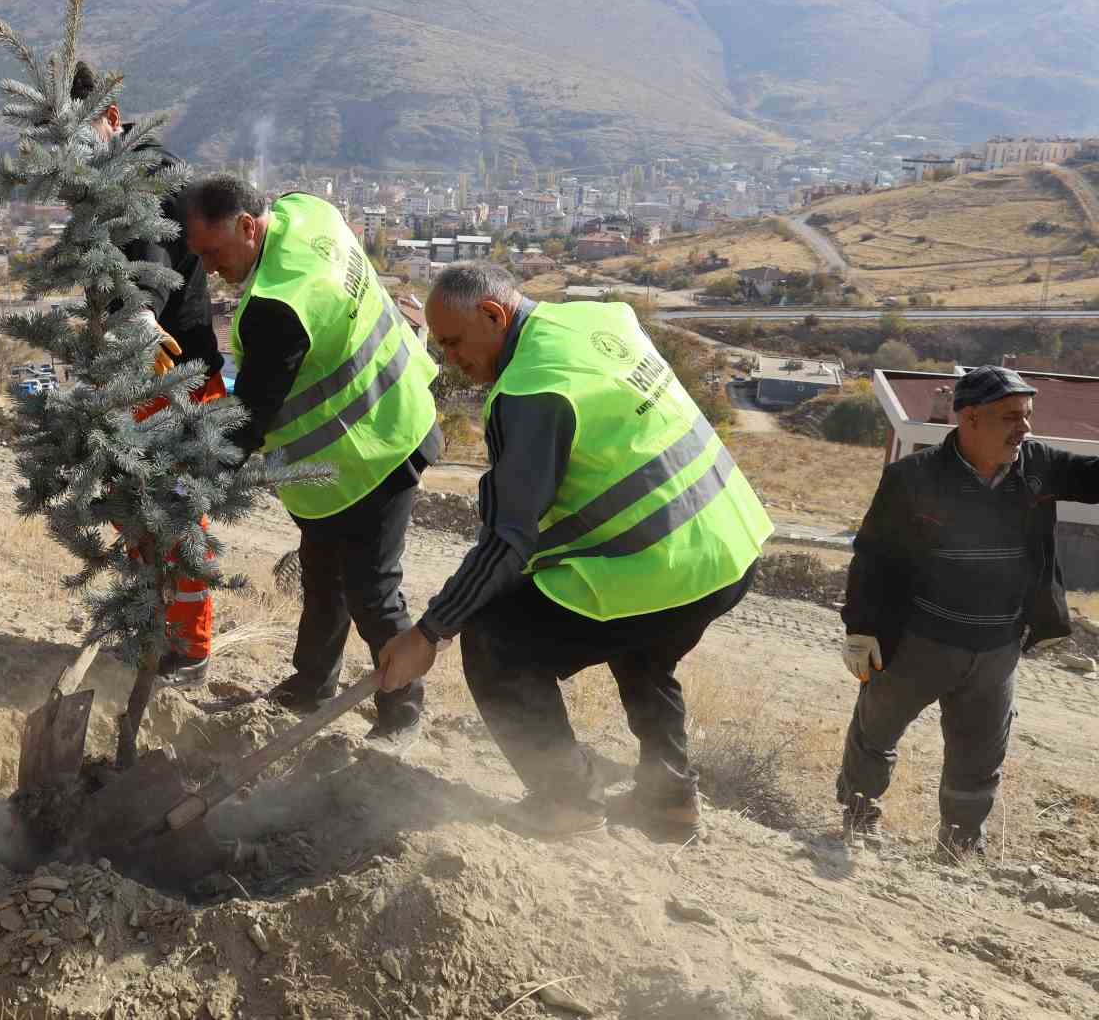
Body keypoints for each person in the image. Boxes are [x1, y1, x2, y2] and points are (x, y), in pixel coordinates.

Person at [377, 263, 772, 839]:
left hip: (665, 563)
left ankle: (567, 802)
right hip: (727, 545)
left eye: (454, 343)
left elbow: (509, 540)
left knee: (494, 644)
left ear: (494, 315)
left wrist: (430, 632)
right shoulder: (593, 318)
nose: (450, 360)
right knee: (642, 646)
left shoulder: (532, 390)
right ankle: (669, 800)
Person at [180, 173, 442, 746]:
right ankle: (312, 684)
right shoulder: (307, 212)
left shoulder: (279, 304)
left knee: (371, 588)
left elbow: (247, 421)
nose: (208, 268)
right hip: (367, 435)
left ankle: (403, 711)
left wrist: (188, 481)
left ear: (249, 227)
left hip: (374, 449)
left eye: (212, 251)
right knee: (323, 575)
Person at [836, 365, 1099, 857]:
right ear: (971, 418)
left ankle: (958, 848)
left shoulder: (1036, 465)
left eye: (1027, 416)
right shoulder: (913, 477)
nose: (1025, 429)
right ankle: (856, 821)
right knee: (875, 735)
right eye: (1011, 417)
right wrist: (862, 629)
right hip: (919, 642)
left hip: (997, 649)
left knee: (979, 758)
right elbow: (875, 555)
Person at [71, 60, 225, 687]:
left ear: (110, 118)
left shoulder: (141, 176)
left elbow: (152, 264)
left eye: (79, 136)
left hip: (169, 376)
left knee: (176, 516)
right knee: (137, 510)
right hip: (136, 376)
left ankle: (187, 649)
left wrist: (136, 314)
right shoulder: (107, 176)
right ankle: (150, 626)